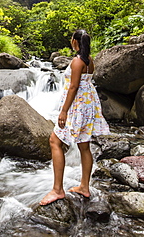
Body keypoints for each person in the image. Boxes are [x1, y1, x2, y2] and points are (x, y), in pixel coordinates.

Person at [40, 29, 110, 205]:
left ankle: (57, 190)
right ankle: (84, 187)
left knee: (54, 141)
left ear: (75, 42)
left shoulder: (77, 62)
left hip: (77, 107)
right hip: (88, 106)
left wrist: (63, 111)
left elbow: (73, 87)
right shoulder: (90, 61)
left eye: (71, 39)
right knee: (84, 146)